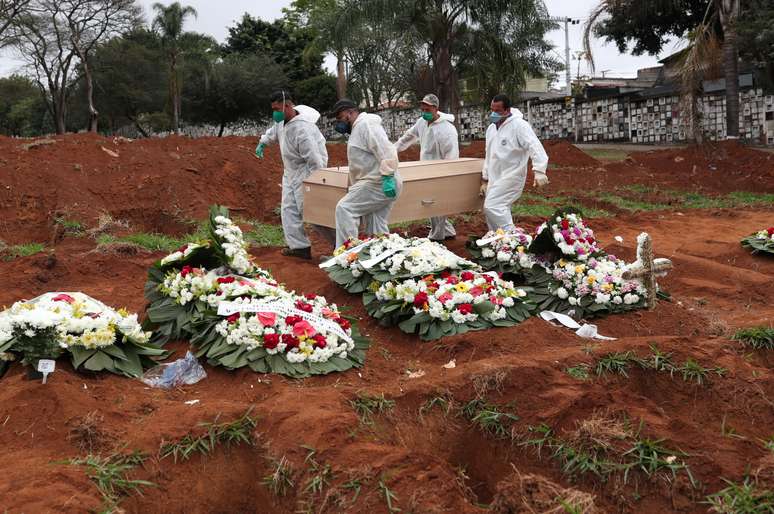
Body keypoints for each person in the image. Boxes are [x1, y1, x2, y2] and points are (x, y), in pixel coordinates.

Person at [255, 90, 335, 260]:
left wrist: (316, 182)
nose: (274, 113)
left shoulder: (303, 129)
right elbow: (273, 132)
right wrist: (263, 143)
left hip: (307, 172)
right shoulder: (282, 121)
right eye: (273, 109)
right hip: (290, 172)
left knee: (314, 213)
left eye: (277, 108)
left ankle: (342, 245)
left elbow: (315, 160)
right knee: (288, 210)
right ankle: (299, 247)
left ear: (288, 106)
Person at [329, 99, 402, 248]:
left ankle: (346, 255)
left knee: (345, 209)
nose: (339, 123)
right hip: (378, 182)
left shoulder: (366, 125)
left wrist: (388, 176)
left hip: (379, 182)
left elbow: (386, 150)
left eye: (340, 118)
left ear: (349, 112)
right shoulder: (358, 128)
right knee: (376, 225)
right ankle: (382, 257)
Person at [480, 94, 549, 231]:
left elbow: (534, 146)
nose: (493, 114)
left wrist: (540, 171)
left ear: (507, 110)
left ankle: (513, 239)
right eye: (492, 109)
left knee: (493, 206)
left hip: (513, 175)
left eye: (498, 111)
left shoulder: (519, 126)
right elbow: (489, 154)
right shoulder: (491, 129)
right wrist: (485, 178)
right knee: (493, 212)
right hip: (495, 177)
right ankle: (497, 242)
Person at [394, 93, 458, 242]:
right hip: (425, 168)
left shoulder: (447, 130)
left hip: (440, 172)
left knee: (434, 204)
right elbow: (408, 137)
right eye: (422, 109)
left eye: (427, 110)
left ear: (436, 108)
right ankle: (447, 230)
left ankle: (436, 237)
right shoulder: (422, 123)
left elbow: (452, 156)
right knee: (429, 202)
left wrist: (448, 175)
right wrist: (393, 149)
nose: (424, 113)